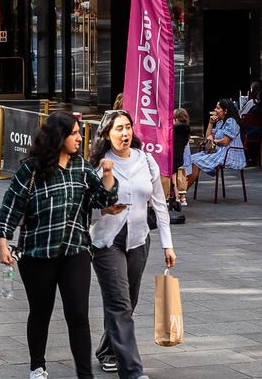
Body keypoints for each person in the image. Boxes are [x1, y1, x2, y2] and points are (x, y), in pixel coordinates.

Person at [0, 110, 118, 379]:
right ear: (58, 136)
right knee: (41, 312)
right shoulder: (32, 168)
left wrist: (108, 175)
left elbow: (102, 199)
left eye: (78, 133)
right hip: (38, 253)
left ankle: (85, 374)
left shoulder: (81, 166)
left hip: (75, 251)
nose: (78, 138)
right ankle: (37, 365)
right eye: (73, 133)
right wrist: (3, 242)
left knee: (78, 315)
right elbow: (11, 206)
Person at [88, 109, 173, 378]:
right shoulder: (98, 165)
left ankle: (107, 350)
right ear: (106, 134)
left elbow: (159, 204)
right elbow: (86, 208)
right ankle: (133, 370)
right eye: (118, 129)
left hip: (138, 240)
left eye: (128, 127)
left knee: (128, 300)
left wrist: (167, 244)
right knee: (120, 303)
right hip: (106, 242)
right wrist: (103, 210)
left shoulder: (146, 161)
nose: (125, 133)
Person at [178, 99, 244, 199]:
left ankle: (181, 194)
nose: (215, 110)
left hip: (228, 153)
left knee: (196, 163)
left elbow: (225, 141)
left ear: (225, 111)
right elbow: (208, 136)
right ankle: (179, 190)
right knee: (190, 160)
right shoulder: (220, 122)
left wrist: (213, 141)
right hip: (217, 151)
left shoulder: (231, 122)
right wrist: (210, 123)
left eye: (218, 108)